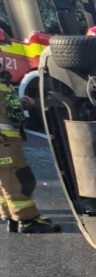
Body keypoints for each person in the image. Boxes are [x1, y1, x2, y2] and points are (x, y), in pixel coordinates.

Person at [0, 69, 60, 233]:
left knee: (5, 182)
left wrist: (19, 103)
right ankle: (27, 220)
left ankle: (12, 217)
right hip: (5, 143)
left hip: (6, 141)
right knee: (19, 180)